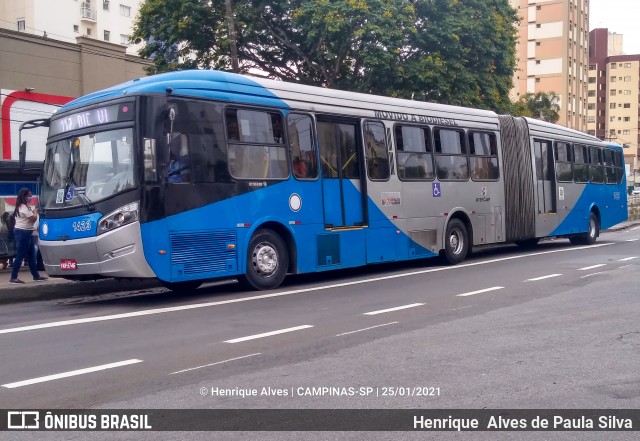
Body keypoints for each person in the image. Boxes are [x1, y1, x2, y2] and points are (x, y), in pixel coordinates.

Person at [10, 188, 47, 283]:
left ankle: (36, 276)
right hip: (22, 233)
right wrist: (35, 211)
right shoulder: (23, 207)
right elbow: (33, 219)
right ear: (24, 196)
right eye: (29, 195)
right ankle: (13, 277)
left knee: (31, 256)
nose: (31, 197)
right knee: (20, 255)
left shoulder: (24, 206)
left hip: (27, 233)